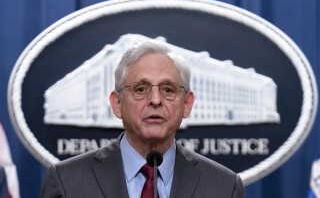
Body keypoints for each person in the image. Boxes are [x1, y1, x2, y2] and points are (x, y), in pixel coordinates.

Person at [40, 40, 244, 198]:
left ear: (187, 104)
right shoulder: (66, 182)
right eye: (140, 89)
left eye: (168, 89)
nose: (155, 100)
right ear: (117, 103)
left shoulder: (224, 187)